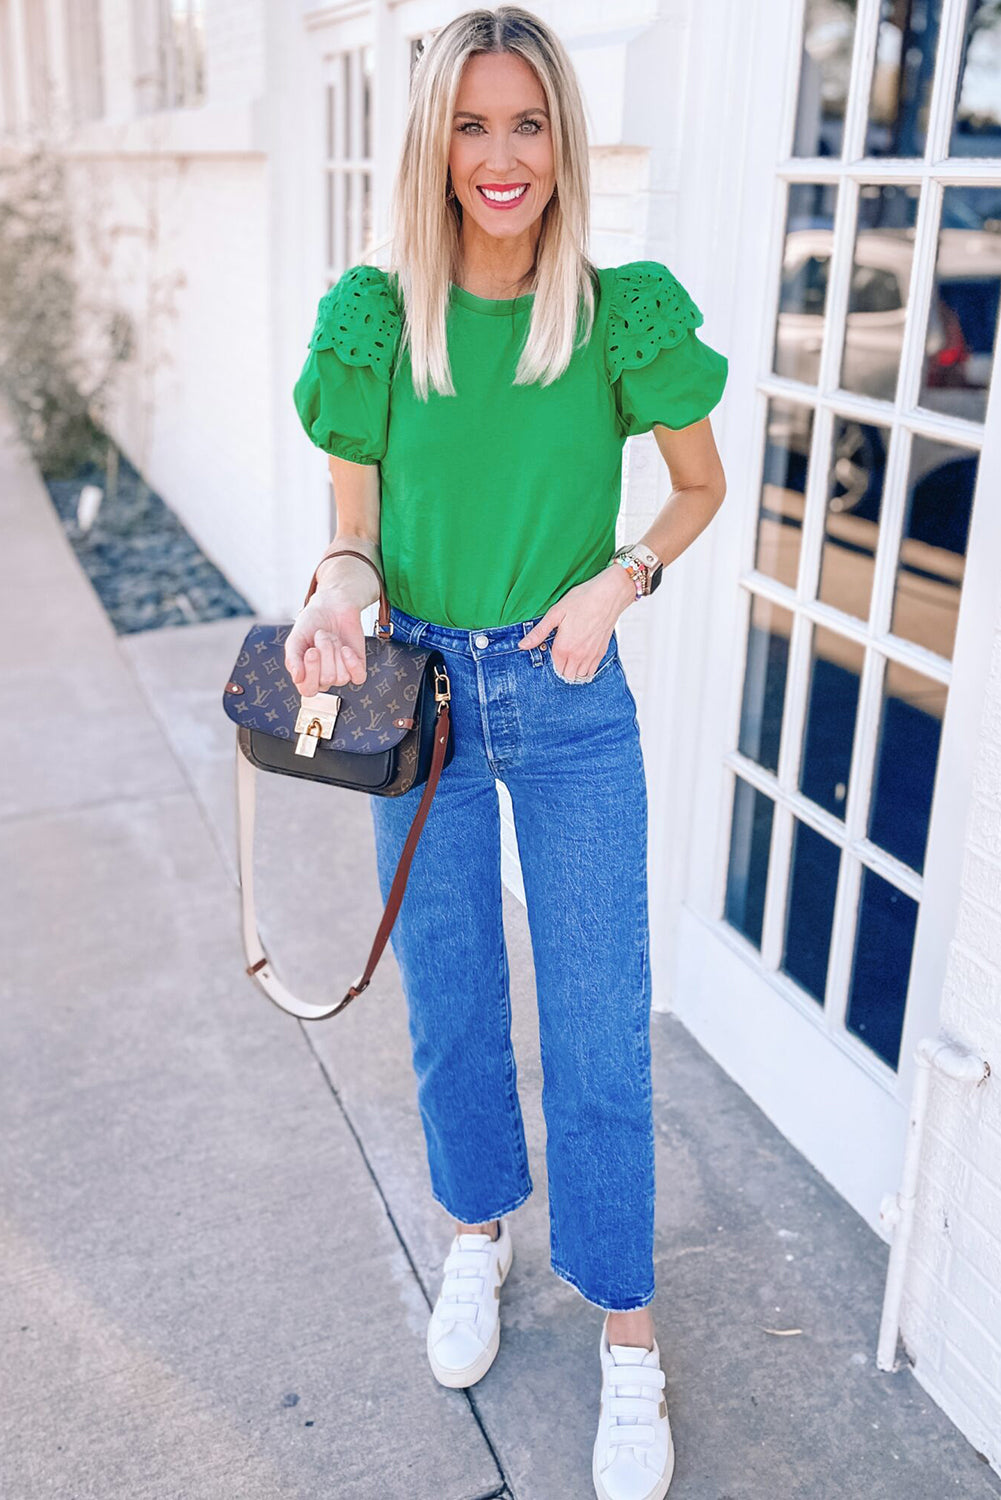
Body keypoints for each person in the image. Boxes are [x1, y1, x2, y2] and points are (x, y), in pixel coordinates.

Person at [286, 8, 727, 1497]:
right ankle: (476, 1236)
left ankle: (626, 1335)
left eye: (525, 124)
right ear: (433, 142)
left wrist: (624, 578)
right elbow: (351, 537)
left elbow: (696, 485)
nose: (498, 157)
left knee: (600, 1030)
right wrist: (334, 605)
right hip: (423, 707)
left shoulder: (616, 311)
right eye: (470, 126)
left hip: (569, 699)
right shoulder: (374, 318)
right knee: (452, 1008)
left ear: (560, 142)